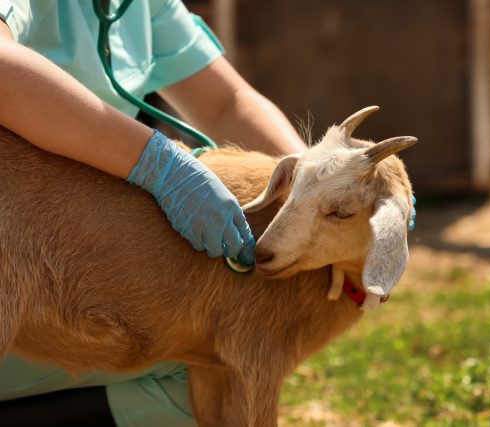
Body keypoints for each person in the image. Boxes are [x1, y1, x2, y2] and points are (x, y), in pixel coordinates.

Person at [0, 0, 306, 425]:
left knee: (204, 360)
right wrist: (153, 162)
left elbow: (227, 103)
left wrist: (314, 189)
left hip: (64, 260)